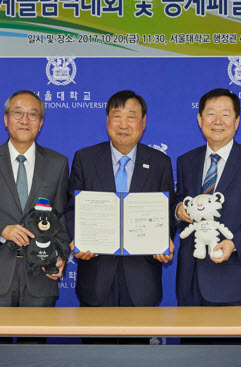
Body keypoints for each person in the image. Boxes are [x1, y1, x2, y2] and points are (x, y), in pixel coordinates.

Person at [65, 90, 175, 313]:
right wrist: (76, 239)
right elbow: (70, 209)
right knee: (95, 348)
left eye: (131, 116)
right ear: (107, 120)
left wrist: (165, 239)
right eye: (117, 116)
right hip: (96, 274)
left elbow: (168, 210)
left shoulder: (160, 163)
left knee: (136, 349)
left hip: (142, 278)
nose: (124, 124)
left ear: (143, 122)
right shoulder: (85, 159)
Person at [0, 90, 69, 310]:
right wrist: (2, 230)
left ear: (40, 123)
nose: (25, 120)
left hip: (41, 276)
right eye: (18, 113)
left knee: (34, 345)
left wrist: (60, 255)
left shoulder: (58, 163)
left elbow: (62, 218)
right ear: (6, 119)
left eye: (33, 115)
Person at [175, 88, 241, 313]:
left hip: (231, 282)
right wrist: (177, 209)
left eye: (226, 114)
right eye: (211, 113)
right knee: (190, 350)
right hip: (189, 281)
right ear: (200, 119)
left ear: (237, 121)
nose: (218, 121)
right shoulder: (186, 161)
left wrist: (234, 243)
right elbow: (180, 200)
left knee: (231, 349)